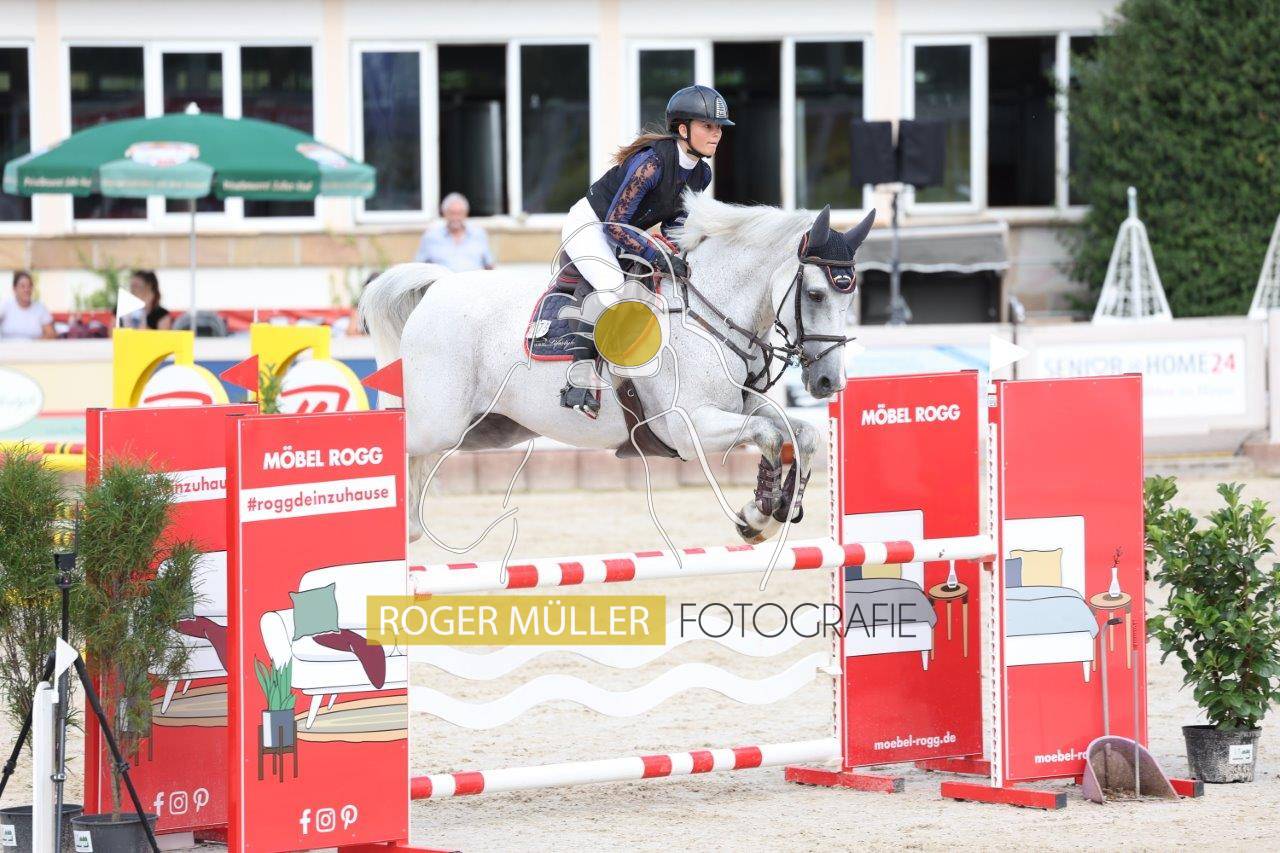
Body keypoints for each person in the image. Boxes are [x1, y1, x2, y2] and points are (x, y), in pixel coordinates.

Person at [557, 84, 732, 415]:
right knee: (612, 286)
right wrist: (657, 257)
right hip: (591, 225)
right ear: (683, 129)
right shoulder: (651, 163)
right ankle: (579, 382)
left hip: (626, 230)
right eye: (708, 126)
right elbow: (614, 225)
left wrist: (693, 248)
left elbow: (673, 224)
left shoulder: (701, 173)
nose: (716, 134)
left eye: (719, 127)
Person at [413, 193, 494, 272]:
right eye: (452, 213)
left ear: (466, 214)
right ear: (444, 213)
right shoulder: (430, 237)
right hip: (443, 281)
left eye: (459, 213)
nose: (455, 217)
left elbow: (490, 266)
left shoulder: (479, 235)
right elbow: (418, 268)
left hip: (473, 280)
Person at [0, 270, 55, 340]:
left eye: (29, 286)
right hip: (7, 346)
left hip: (34, 346)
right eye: (22, 286)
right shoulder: (5, 305)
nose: (26, 290)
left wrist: (34, 343)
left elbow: (50, 334)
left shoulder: (40, 308)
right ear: (14, 289)